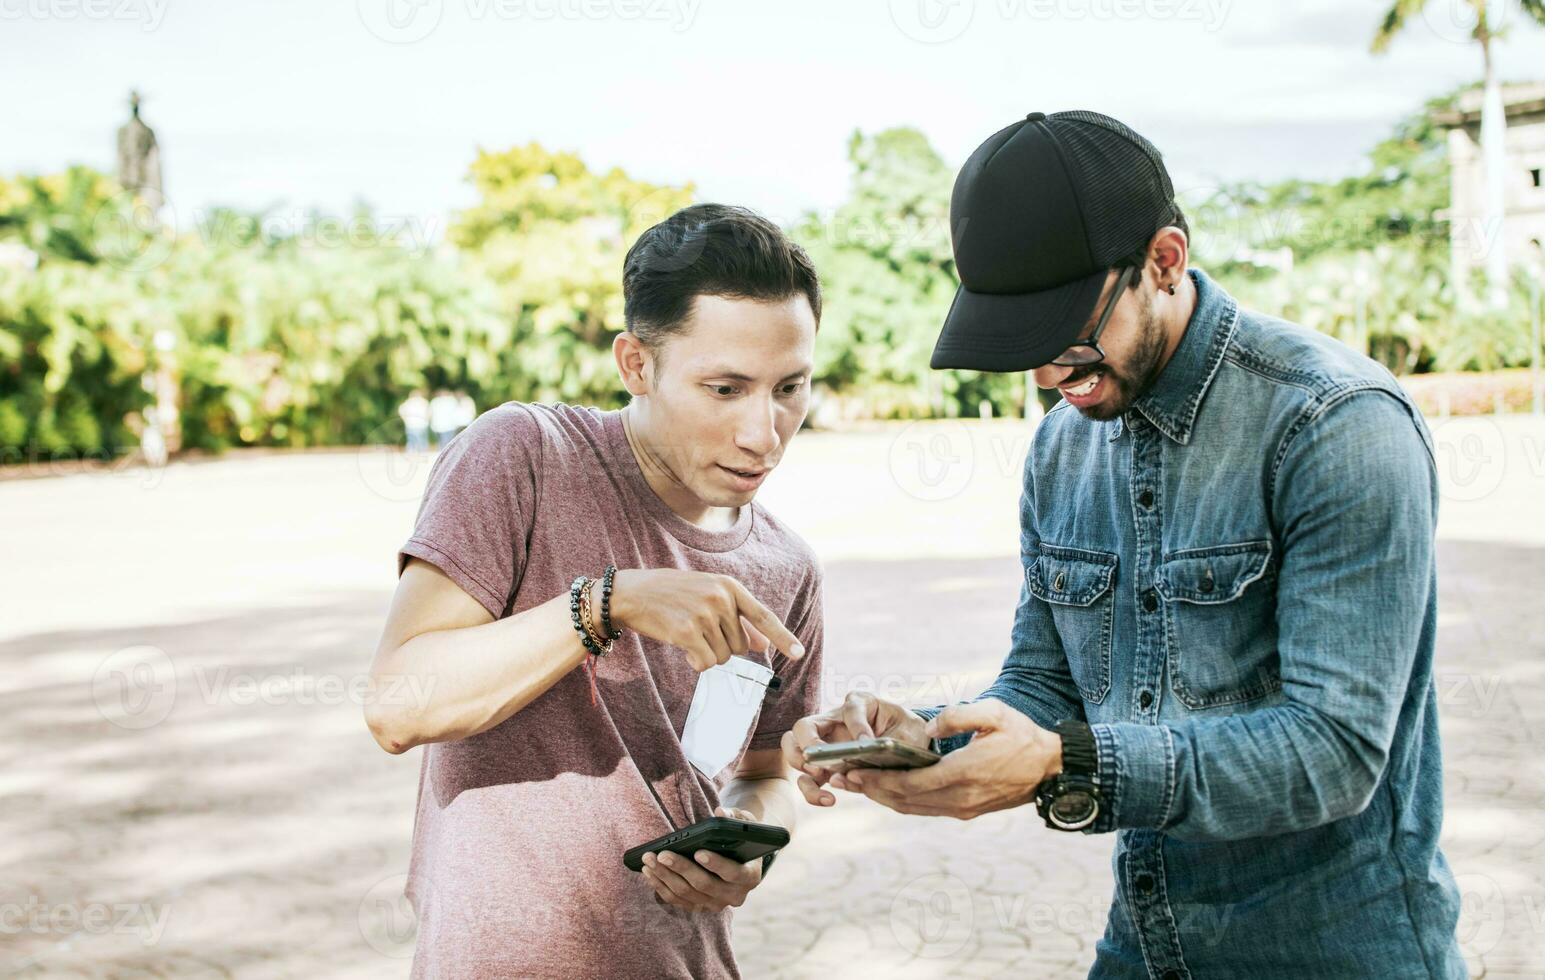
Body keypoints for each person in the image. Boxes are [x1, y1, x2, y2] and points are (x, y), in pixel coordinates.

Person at [784, 111, 1463, 978]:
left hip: (1336, 949)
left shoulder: (1335, 425)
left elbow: (1333, 752)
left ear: (1164, 261)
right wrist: (920, 735)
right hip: (1145, 944)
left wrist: (1067, 764)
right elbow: (1044, 684)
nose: (1044, 377)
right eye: (1018, 346)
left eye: (1064, 333)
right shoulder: (1063, 445)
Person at [365, 203, 827, 979]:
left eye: (789, 387)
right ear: (634, 365)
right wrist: (608, 603)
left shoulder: (788, 566)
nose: (763, 432)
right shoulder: (522, 456)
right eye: (724, 389)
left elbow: (765, 772)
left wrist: (747, 846)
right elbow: (397, 707)